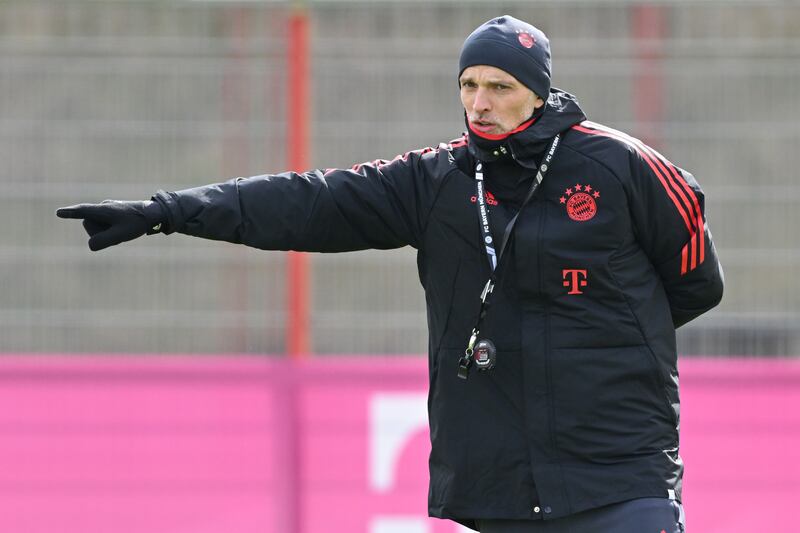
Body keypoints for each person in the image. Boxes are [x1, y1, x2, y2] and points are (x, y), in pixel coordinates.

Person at [57, 15, 722, 533]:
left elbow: (696, 281)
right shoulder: (433, 181)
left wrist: (600, 345)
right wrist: (165, 211)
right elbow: (310, 201)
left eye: (500, 87)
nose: (480, 102)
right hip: (507, 486)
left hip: (622, 471)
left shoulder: (621, 168)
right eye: (469, 84)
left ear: (538, 93)